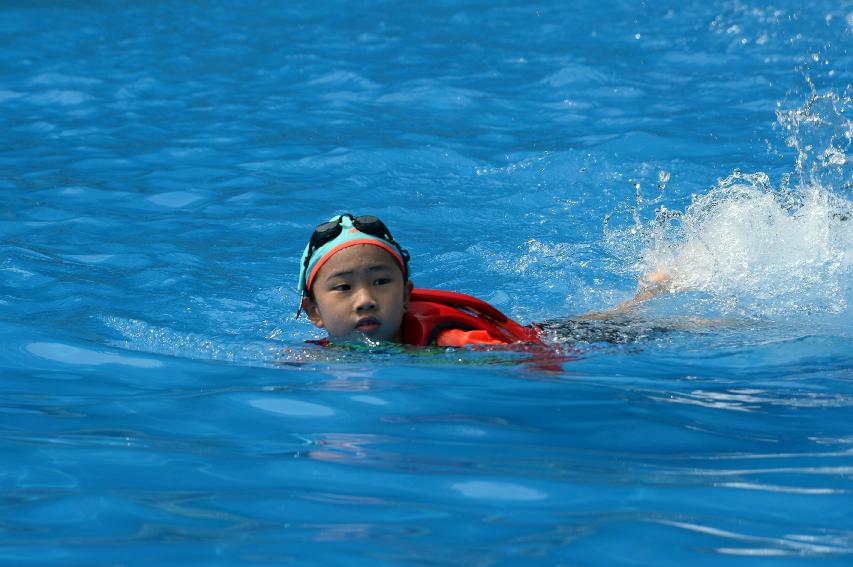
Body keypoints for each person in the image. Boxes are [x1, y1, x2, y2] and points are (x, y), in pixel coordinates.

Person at [297, 213, 671, 348]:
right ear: (313, 310)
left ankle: (650, 298)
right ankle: (645, 293)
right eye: (343, 288)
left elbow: (531, 360)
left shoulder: (456, 343)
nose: (365, 299)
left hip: (541, 340)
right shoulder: (315, 355)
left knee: (643, 325)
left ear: (407, 294)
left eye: (381, 282)